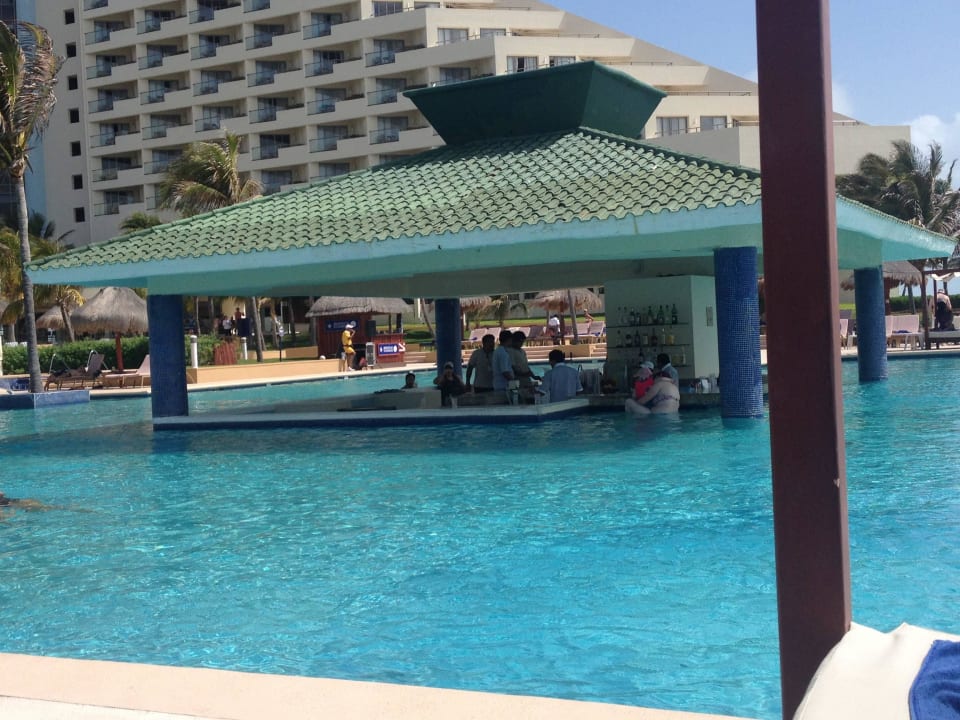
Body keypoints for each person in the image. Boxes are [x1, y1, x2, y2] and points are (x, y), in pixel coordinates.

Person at [509, 331, 540, 399]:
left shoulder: (522, 351)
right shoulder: (510, 351)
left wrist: (533, 376)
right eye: (520, 342)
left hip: (526, 379)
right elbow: (512, 368)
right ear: (515, 341)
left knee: (532, 397)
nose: (521, 344)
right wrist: (524, 374)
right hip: (518, 380)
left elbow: (526, 366)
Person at [492, 330, 515, 394]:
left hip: (499, 384)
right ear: (509, 339)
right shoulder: (503, 353)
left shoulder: (497, 351)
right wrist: (514, 383)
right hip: (503, 386)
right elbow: (505, 371)